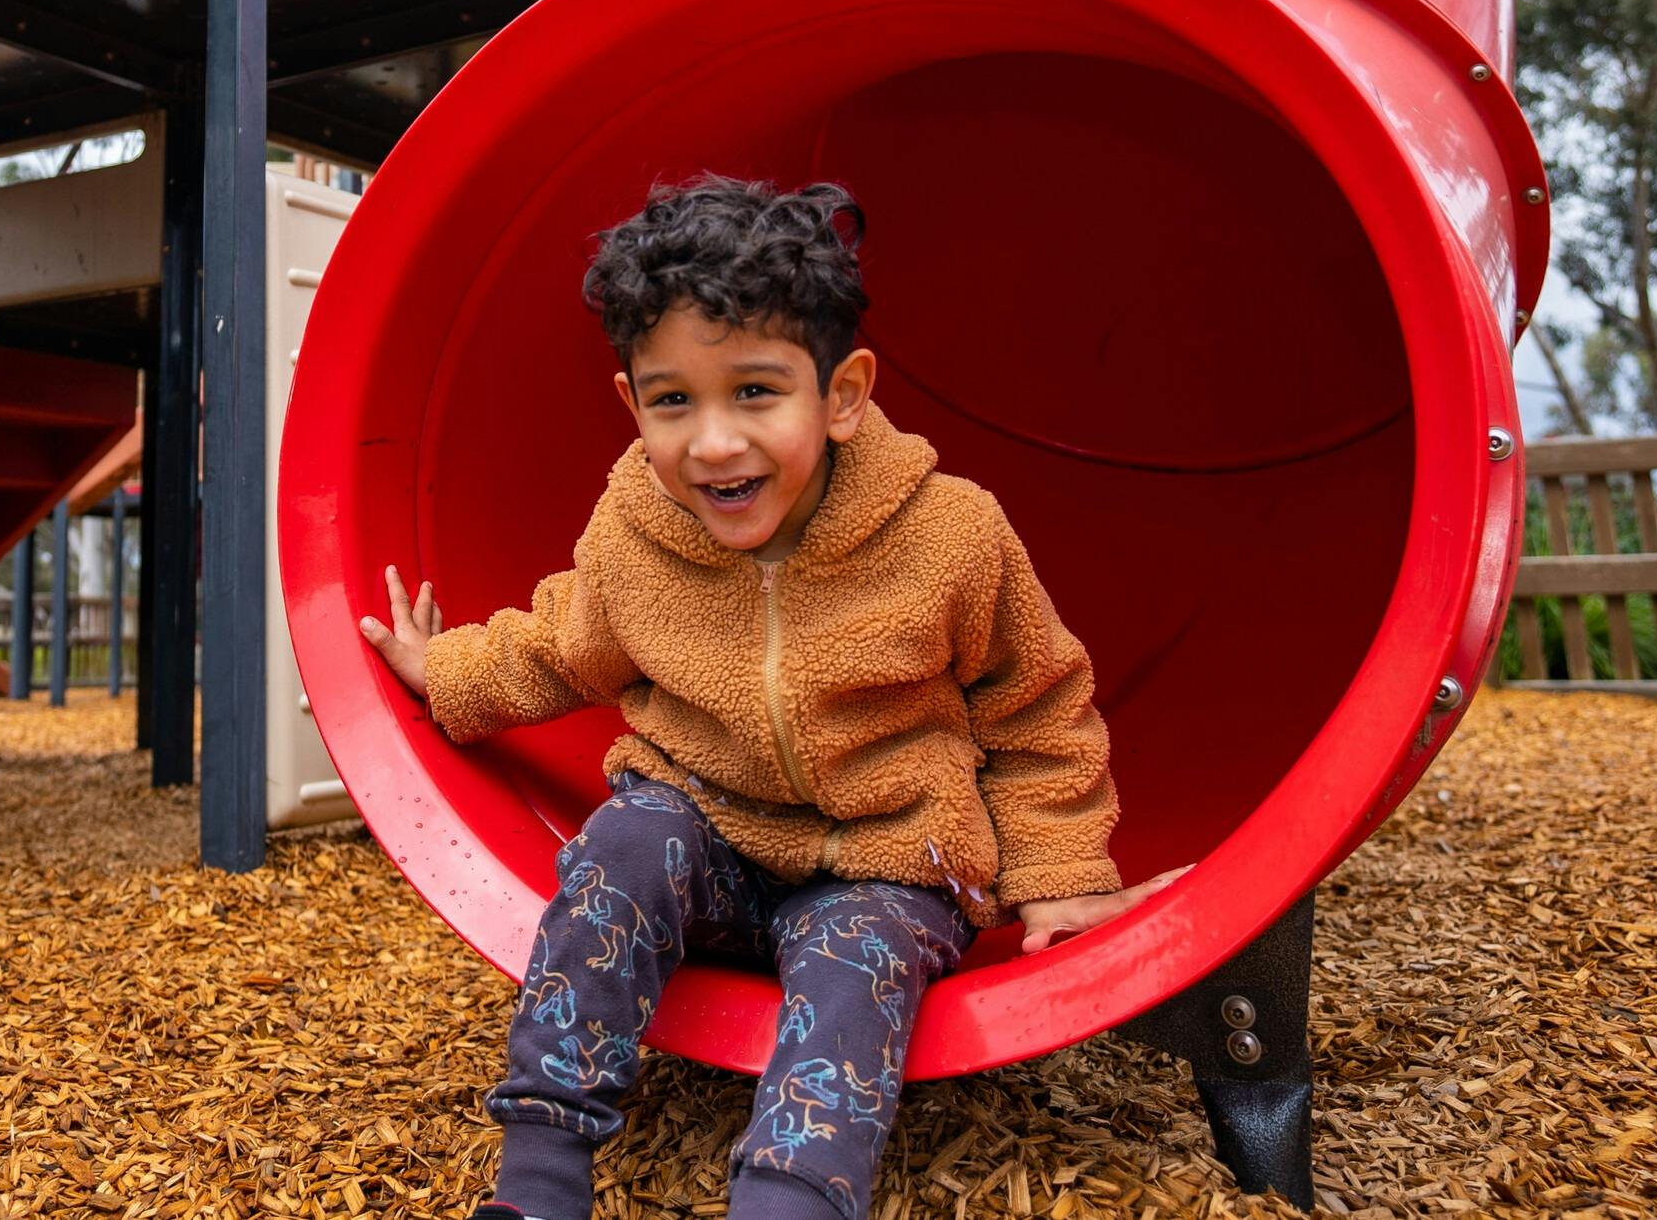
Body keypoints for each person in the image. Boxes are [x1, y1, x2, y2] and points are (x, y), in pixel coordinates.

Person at [360, 176, 1186, 1220]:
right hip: (709, 831)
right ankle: (536, 1180)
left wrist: (1056, 873)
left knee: (851, 967)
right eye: (673, 399)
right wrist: (452, 672)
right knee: (617, 845)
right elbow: (565, 645)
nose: (711, 442)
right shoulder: (635, 535)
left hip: (886, 859)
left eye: (754, 391)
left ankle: (786, 1200)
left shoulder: (949, 537)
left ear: (840, 394)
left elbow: (1034, 705)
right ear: (630, 403)